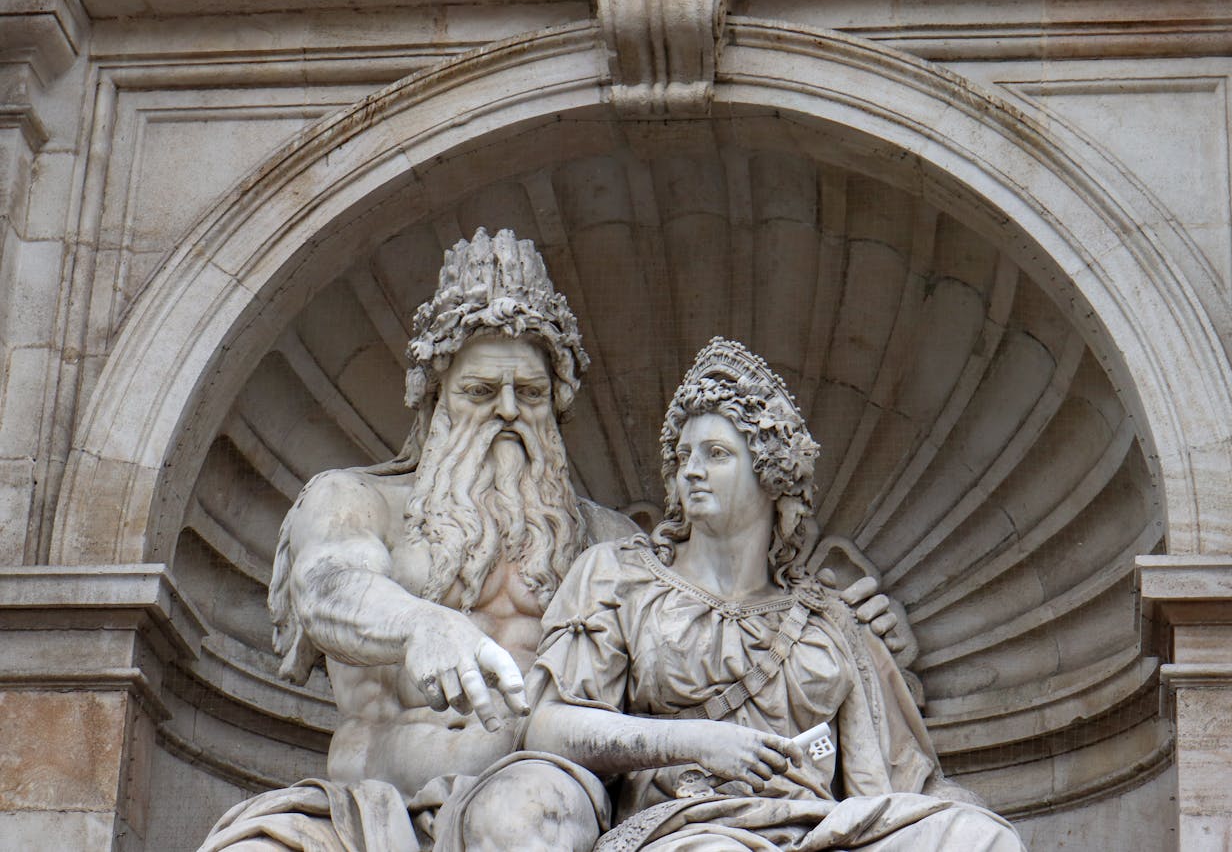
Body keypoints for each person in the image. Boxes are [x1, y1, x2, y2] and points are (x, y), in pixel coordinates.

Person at [201, 229, 636, 851]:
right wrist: (420, 625)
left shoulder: (607, 541)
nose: (508, 411)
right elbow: (327, 588)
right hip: (369, 810)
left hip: (541, 802)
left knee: (529, 821)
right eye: (481, 392)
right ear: (433, 401)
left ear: (558, 405)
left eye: (531, 394)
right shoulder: (356, 500)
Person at [523, 337, 1026, 851]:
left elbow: (906, 780)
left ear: (771, 471)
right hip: (686, 826)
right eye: (683, 455)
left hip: (824, 828)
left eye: (716, 454)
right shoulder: (621, 577)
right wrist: (692, 741)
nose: (690, 470)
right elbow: (546, 727)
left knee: (977, 836)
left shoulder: (829, 619)